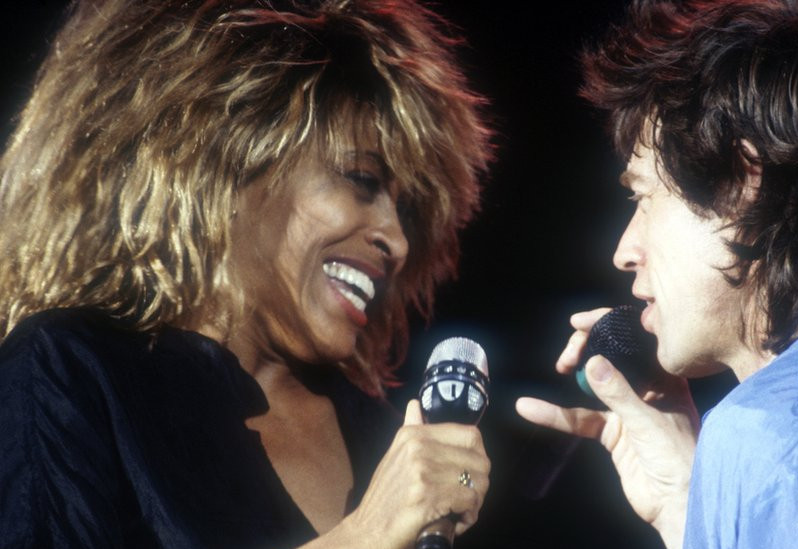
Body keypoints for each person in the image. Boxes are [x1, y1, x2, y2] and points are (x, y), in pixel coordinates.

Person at [0, 1, 492, 548]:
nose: (396, 241)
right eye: (361, 179)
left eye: (405, 212)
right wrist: (365, 535)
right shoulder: (70, 373)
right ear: (227, 159)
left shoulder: (393, 433)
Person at [516, 0, 798, 547]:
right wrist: (690, 506)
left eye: (643, 195)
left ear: (742, 183)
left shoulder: (786, 432)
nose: (625, 250)